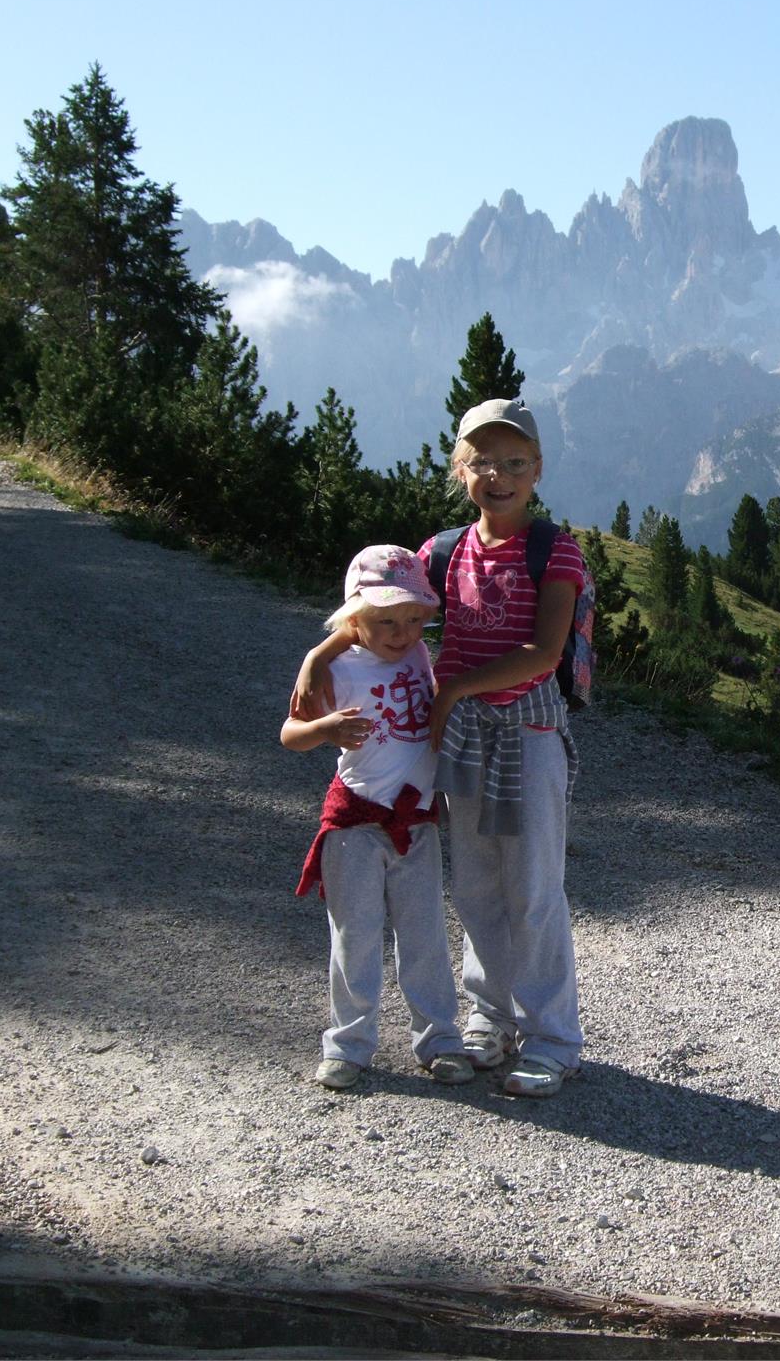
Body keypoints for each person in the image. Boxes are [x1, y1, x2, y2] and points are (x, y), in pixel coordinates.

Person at [295, 398, 585, 1099]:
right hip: (460, 741)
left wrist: (452, 693)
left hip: (529, 735)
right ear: (460, 470)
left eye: (514, 463)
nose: (498, 475)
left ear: (537, 471)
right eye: (481, 461)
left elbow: (544, 653)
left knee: (535, 888)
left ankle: (552, 1038)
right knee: (478, 885)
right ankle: (489, 1018)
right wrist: (320, 652)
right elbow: (376, 611)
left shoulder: (557, 550)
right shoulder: (440, 552)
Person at [281, 545, 475, 1091]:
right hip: (355, 824)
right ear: (355, 619)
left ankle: (439, 1040)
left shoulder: (417, 654)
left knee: (425, 935)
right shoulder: (338, 667)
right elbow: (289, 734)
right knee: (355, 936)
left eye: (414, 619)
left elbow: (388, 635)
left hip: (415, 820)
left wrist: (327, 647)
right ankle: (348, 1044)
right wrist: (323, 728)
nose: (402, 632)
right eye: (385, 621)